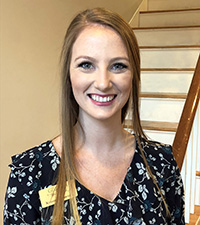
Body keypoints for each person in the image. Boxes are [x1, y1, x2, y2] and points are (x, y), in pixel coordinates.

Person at [3, 7, 185, 225]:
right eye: (86, 65)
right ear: (69, 75)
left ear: (133, 75)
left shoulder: (161, 164)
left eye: (118, 66)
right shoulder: (30, 173)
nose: (102, 83)